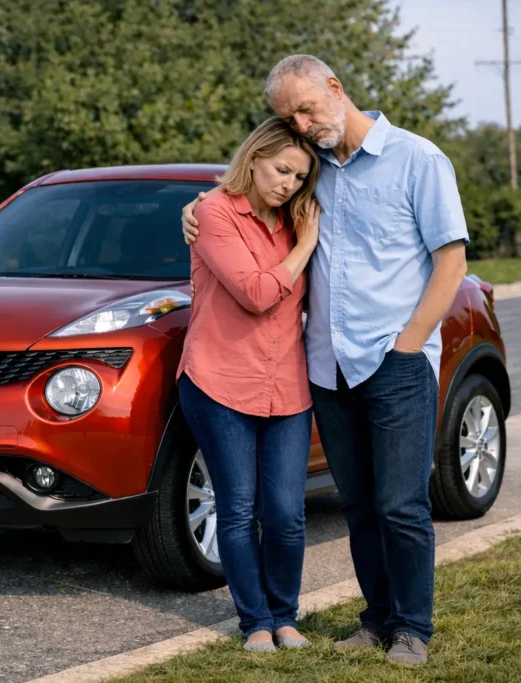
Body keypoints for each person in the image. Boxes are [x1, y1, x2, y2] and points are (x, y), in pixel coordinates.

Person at [182, 55, 469, 666]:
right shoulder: (314, 173)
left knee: (402, 504)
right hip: (326, 368)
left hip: (395, 360)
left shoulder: (418, 160)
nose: (303, 124)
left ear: (335, 88)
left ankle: (412, 628)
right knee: (360, 504)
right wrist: (195, 206)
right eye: (290, 117)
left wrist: (409, 344)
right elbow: (245, 195)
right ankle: (376, 618)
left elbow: (452, 265)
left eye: (307, 108)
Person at [176, 117, 321, 652]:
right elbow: (256, 293)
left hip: (286, 382)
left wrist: (302, 231)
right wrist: (305, 245)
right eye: (282, 169)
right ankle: (255, 622)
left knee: (285, 511)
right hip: (218, 379)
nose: (288, 183)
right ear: (255, 157)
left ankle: (285, 617)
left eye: (300, 177)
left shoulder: (294, 216)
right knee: (237, 507)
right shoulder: (214, 212)